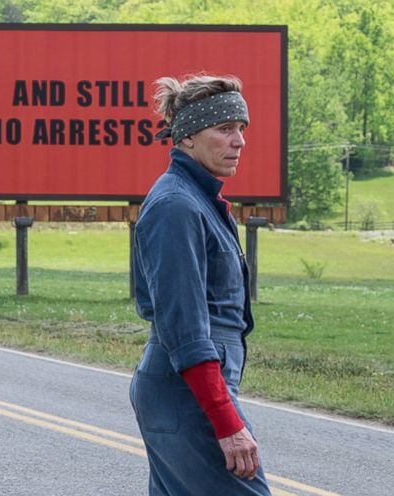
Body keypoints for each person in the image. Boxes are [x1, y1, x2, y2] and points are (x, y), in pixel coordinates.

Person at [129, 74, 271, 496]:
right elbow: (186, 331)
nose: (239, 141)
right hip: (186, 394)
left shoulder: (197, 200)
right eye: (224, 129)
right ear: (187, 137)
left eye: (241, 129)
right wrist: (227, 423)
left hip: (187, 392)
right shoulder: (176, 206)